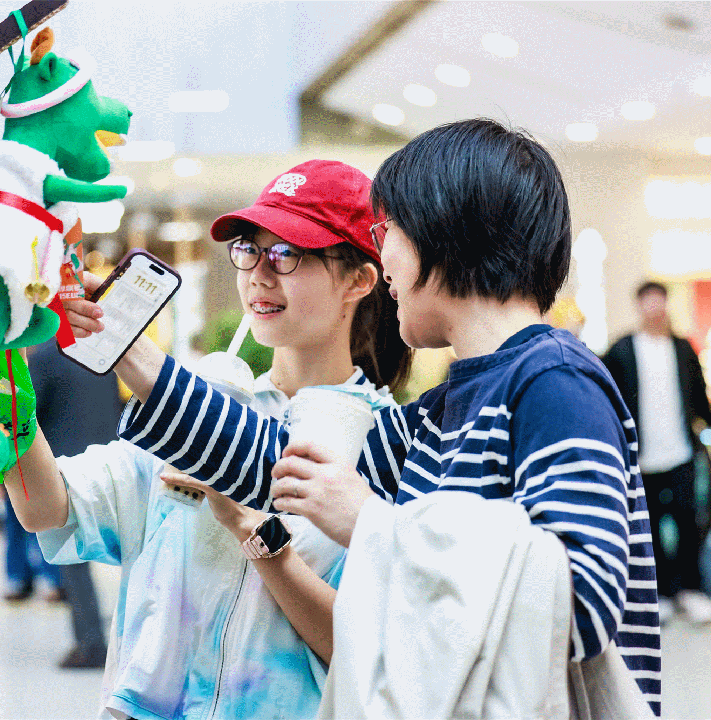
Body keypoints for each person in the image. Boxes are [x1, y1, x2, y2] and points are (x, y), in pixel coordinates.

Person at [102, 120, 662, 716]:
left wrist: (372, 523)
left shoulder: (555, 384)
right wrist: (123, 342)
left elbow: (580, 605)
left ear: (445, 231)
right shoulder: (444, 409)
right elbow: (281, 465)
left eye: (387, 230)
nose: (381, 255)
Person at [4, 160, 412, 719]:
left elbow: (370, 654)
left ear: (359, 280)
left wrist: (256, 534)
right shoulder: (202, 405)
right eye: (249, 250)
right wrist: (7, 398)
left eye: (287, 254)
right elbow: (47, 509)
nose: (259, 275)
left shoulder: (386, 444)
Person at [602, 280, 711, 626]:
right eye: (649, 302)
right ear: (639, 306)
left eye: (660, 302)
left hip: (681, 452)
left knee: (688, 521)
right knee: (649, 527)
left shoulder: (682, 348)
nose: (655, 309)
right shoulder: (623, 349)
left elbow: (700, 397)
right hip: (642, 457)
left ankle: (691, 590)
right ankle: (661, 593)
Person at [27, 339, 124, 669]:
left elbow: (28, 415)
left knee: (75, 561)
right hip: (111, 463)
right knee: (131, 553)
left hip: (67, 469)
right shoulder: (99, 353)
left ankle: (90, 642)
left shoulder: (44, 357)